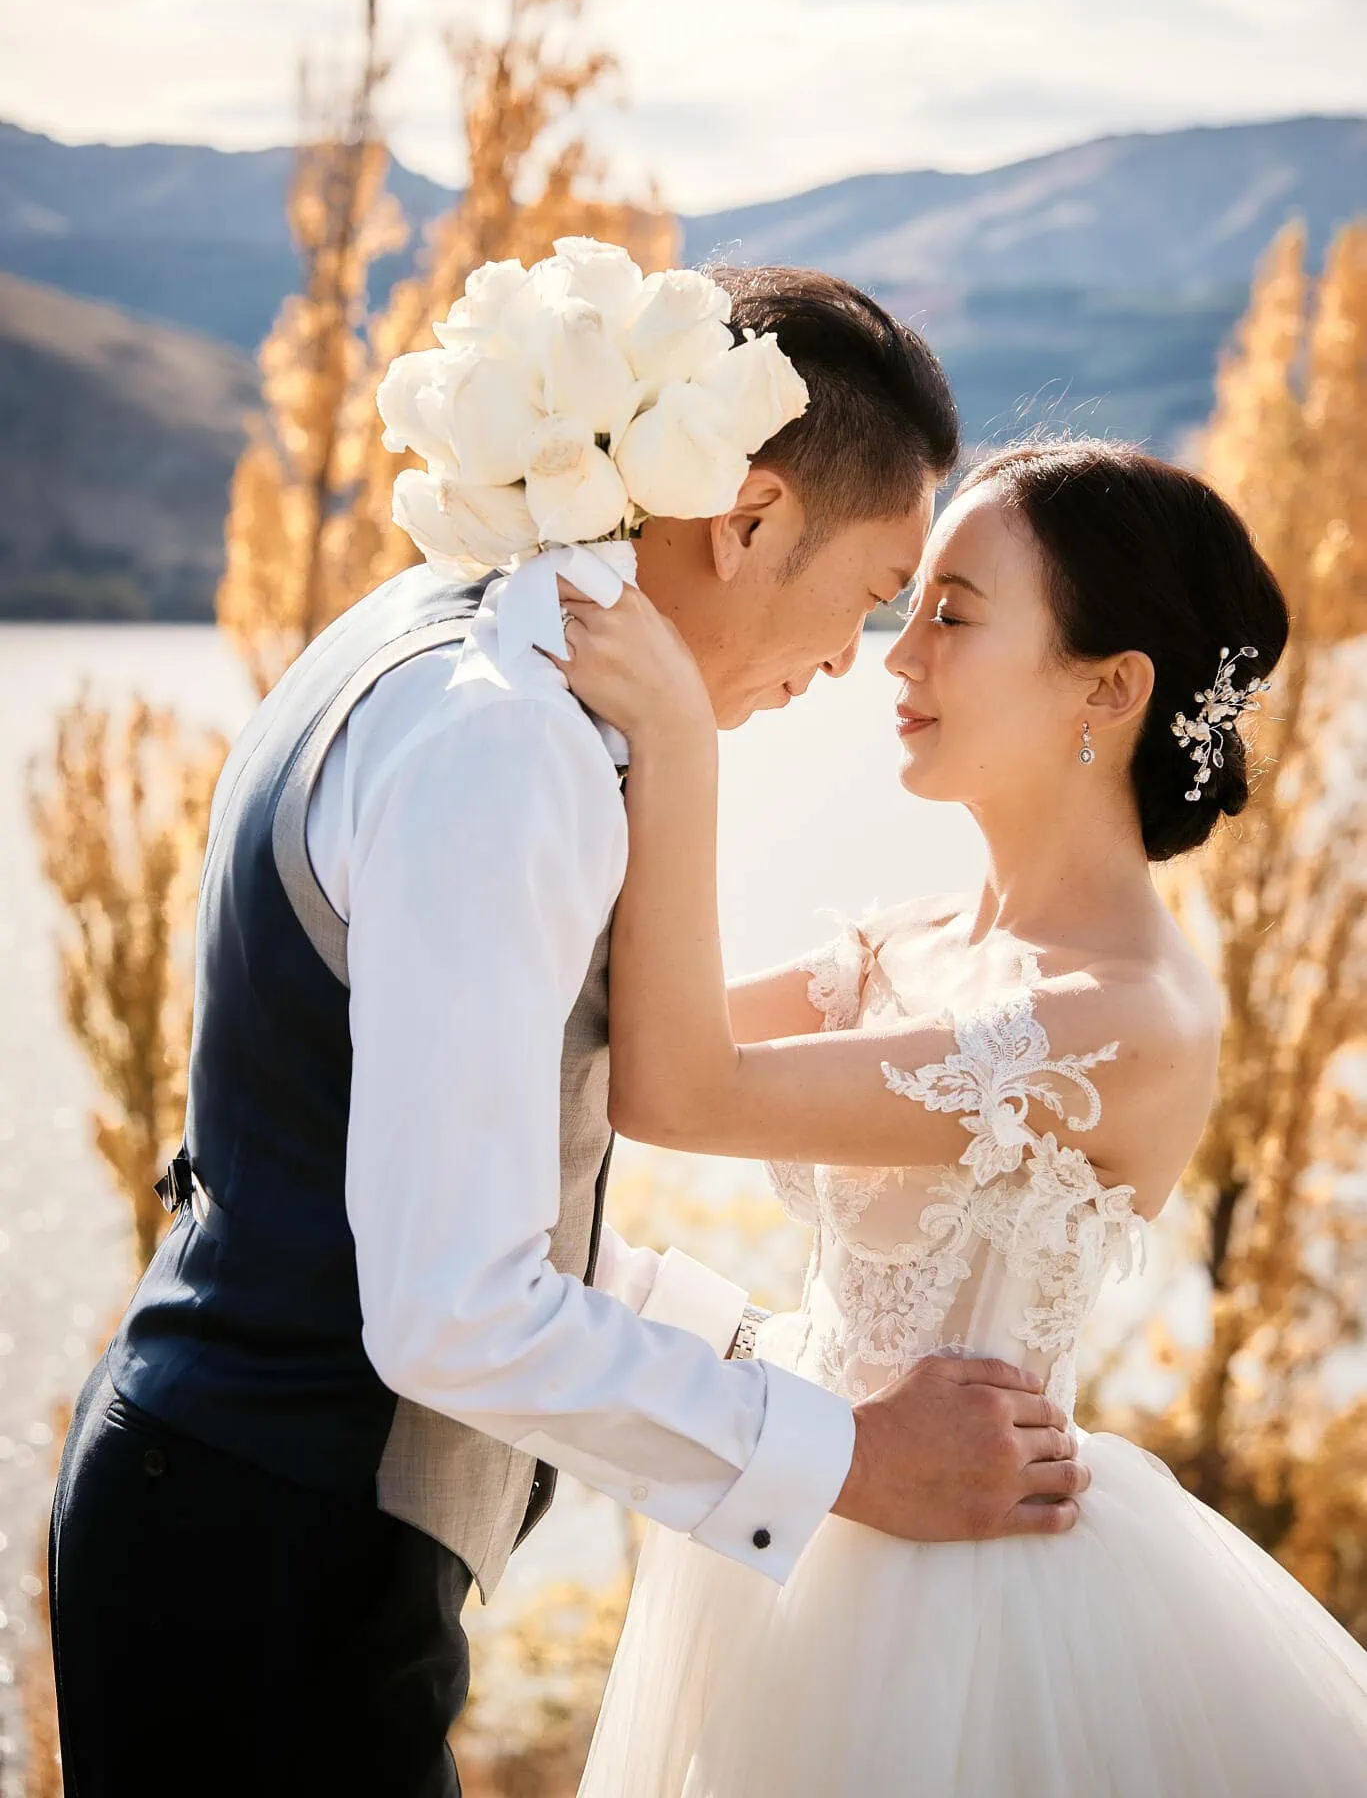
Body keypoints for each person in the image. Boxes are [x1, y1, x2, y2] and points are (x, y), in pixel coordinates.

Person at [47, 270, 1085, 1798]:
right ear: (746, 519)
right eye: (867, 597)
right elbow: (454, 1308)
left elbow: (459, 1192)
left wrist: (777, 1359)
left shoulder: (444, 640)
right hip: (268, 1570)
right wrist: (846, 1460)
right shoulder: (505, 747)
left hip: (245, 1523)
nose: (850, 664)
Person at [561, 437, 1367, 1796]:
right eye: (906, 605)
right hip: (797, 1535)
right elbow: (615, 1027)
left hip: (972, 1614)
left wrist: (679, 743)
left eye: (953, 614)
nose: (896, 657)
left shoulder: (1127, 1017)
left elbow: (677, 1091)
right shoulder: (899, 948)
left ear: (1106, 689)